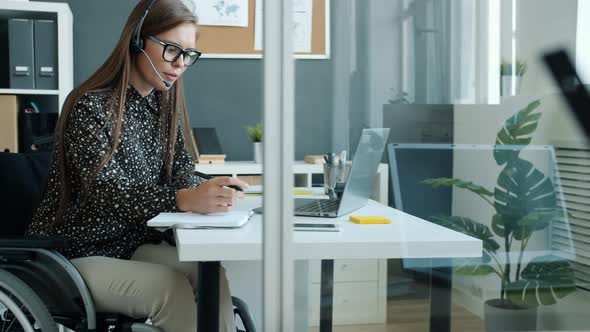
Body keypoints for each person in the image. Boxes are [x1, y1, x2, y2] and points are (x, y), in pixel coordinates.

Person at [25, 0, 248, 331]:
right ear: (137, 41)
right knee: (170, 289)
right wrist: (183, 199)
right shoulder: (91, 107)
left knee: (209, 273)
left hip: (127, 246)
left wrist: (213, 188)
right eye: (172, 50)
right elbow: (106, 192)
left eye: (188, 55)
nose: (180, 64)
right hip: (75, 252)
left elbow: (182, 173)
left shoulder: (161, 106)